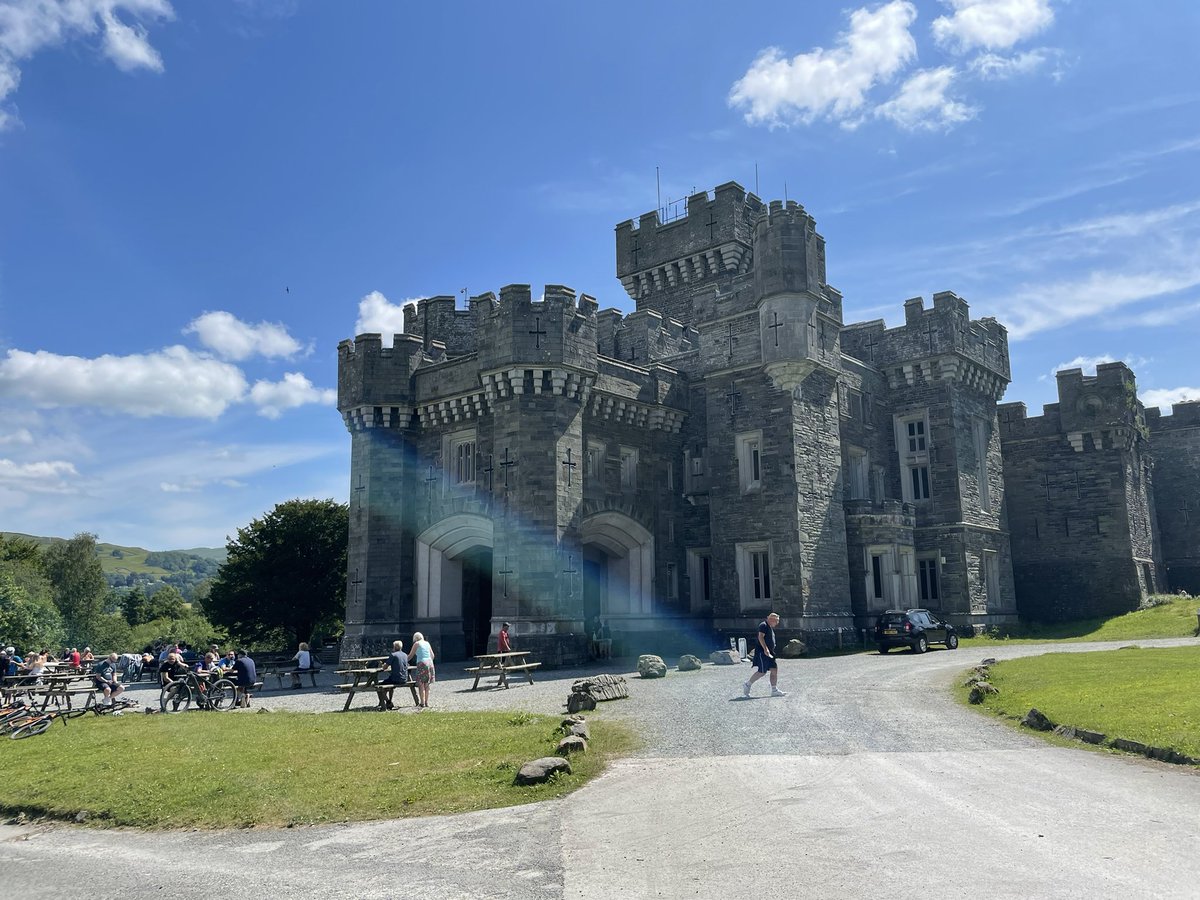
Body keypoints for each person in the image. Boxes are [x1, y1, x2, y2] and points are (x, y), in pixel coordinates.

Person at [743, 612, 786, 698]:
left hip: (770, 653)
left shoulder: (769, 626)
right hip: (762, 652)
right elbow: (760, 637)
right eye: (776, 621)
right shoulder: (763, 625)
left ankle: (774, 690)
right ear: (771, 619)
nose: (777, 623)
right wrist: (765, 648)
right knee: (762, 671)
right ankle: (747, 684)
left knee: (774, 670)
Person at [407, 632, 436, 709]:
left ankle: (422, 702)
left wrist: (403, 661)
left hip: (422, 663)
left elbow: (410, 656)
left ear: (415, 638)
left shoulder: (416, 644)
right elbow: (432, 656)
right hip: (430, 663)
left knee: (421, 684)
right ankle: (426, 702)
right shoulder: (427, 643)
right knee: (427, 684)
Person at [379, 640, 409, 709]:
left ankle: (388, 702)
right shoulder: (405, 655)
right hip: (404, 678)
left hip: (396, 678)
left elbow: (385, 667)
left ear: (394, 647)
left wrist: (382, 665)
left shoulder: (393, 655)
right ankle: (389, 700)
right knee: (390, 686)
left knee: (379, 686)